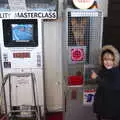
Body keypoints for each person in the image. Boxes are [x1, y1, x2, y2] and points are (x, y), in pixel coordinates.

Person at [91, 45, 120, 120]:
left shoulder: (116, 72)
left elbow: (112, 86)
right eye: (105, 59)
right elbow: (101, 84)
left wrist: (97, 78)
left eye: (111, 60)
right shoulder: (102, 70)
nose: (108, 62)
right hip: (102, 105)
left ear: (115, 60)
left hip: (112, 108)